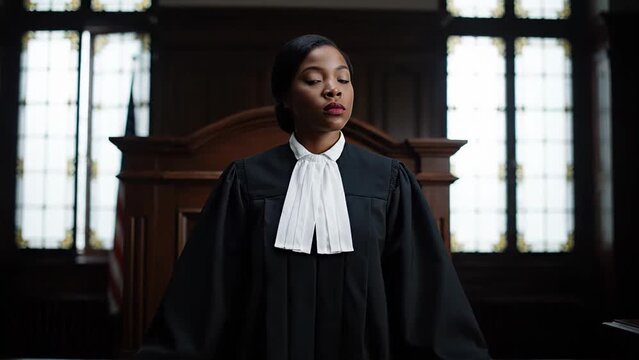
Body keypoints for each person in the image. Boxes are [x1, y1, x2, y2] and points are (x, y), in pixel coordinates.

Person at [136, 34, 490, 359]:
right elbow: (205, 295)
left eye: (343, 79)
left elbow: (424, 296)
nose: (332, 90)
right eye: (314, 79)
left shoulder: (389, 183)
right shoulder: (245, 182)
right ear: (286, 96)